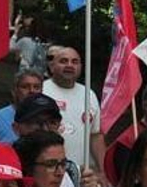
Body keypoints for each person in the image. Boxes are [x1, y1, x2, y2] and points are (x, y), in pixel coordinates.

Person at [41, 45, 104, 176]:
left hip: (81, 174)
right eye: (63, 61)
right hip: (47, 172)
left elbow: (95, 136)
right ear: (52, 67)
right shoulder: (41, 91)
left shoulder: (89, 95)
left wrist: (103, 171)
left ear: (81, 67)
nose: (69, 65)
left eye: (75, 62)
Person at [0, 70, 48, 145]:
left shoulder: (47, 120)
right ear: (14, 91)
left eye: (36, 87)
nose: (31, 91)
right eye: (25, 87)